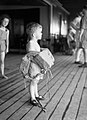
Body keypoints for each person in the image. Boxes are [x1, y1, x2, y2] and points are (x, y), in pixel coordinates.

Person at [26, 22, 46, 106]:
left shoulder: (36, 43)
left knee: (36, 81)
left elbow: (37, 51)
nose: (41, 34)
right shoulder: (31, 43)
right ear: (34, 34)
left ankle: (36, 95)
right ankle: (32, 98)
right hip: (34, 66)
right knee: (33, 81)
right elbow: (31, 55)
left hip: (38, 66)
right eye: (40, 32)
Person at [0, 15, 10, 79]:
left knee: (2, 61)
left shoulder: (7, 30)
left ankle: (2, 74)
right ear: (1, 21)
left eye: (7, 22)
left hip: (2, 46)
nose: (6, 23)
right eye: (4, 21)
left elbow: (7, 40)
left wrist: (7, 48)